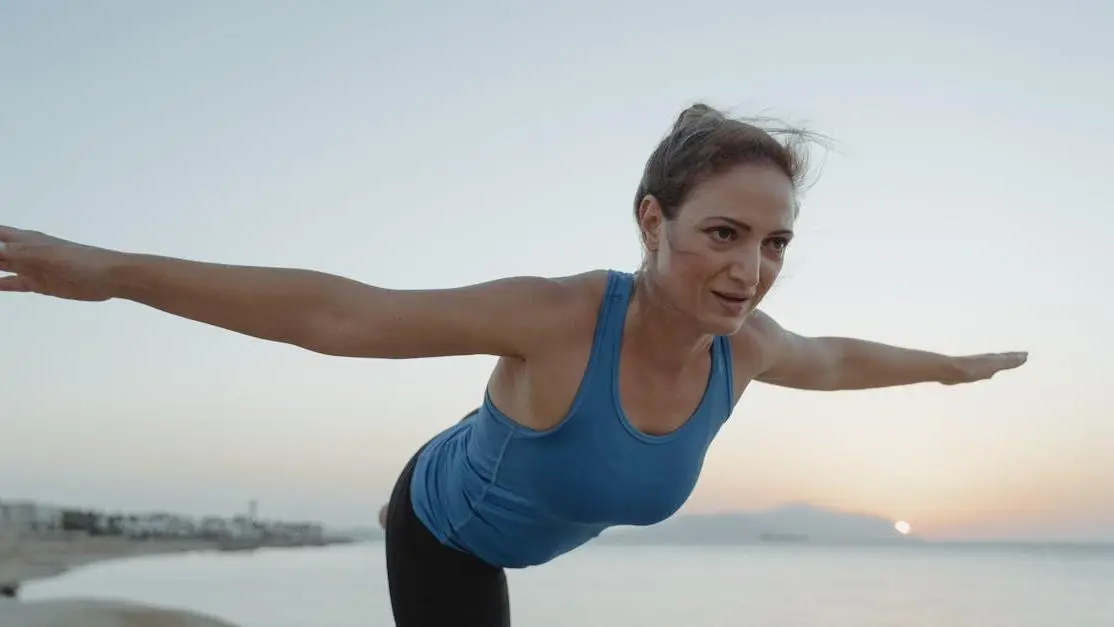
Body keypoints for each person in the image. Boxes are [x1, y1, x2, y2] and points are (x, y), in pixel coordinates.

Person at [0, 103, 1026, 626]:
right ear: (652, 221)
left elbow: (838, 358)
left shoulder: (744, 352)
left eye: (774, 244)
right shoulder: (561, 317)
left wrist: (950, 368)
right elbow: (342, 313)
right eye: (723, 233)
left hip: (504, 525)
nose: (750, 270)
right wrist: (115, 273)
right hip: (444, 530)